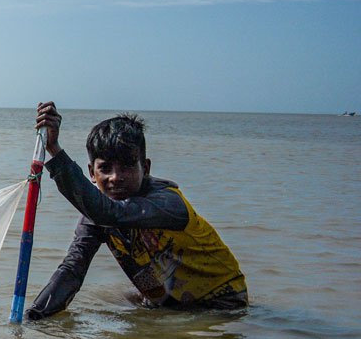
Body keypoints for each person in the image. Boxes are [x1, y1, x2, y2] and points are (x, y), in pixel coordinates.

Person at [27, 102, 246, 319]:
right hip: (166, 303)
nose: (115, 177)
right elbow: (72, 270)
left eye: (127, 167)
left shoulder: (167, 203)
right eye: (105, 168)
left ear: (146, 168)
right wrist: (34, 316)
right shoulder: (96, 216)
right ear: (92, 173)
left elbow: (110, 213)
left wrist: (55, 150)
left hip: (222, 303)